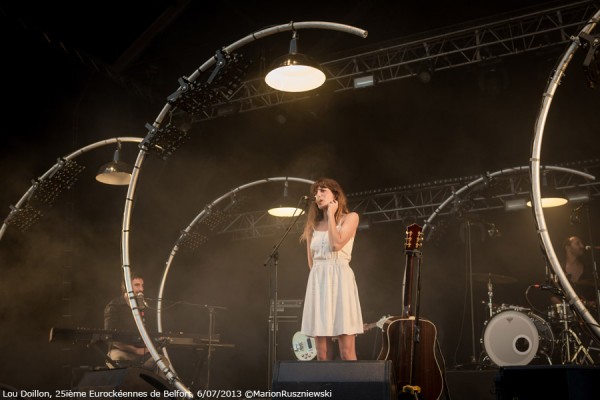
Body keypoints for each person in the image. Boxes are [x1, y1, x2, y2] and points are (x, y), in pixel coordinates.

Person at [300, 178, 363, 360]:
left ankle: (351, 387)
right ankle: (325, 388)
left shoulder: (351, 218)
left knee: (346, 350)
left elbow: (336, 244)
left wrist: (331, 215)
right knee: (322, 353)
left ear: (335, 195)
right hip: (318, 282)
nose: (318, 196)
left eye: (322, 191)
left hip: (341, 279)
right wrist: (317, 284)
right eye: (316, 193)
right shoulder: (312, 226)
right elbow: (312, 263)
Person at [103, 272, 150, 368]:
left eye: (142, 285)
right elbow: (109, 338)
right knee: (120, 362)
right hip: (120, 351)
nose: (141, 289)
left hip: (141, 353)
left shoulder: (142, 306)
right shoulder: (114, 307)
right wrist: (135, 350)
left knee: (162, 362)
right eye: (137, 285)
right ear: (126, 286)